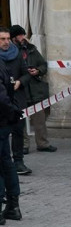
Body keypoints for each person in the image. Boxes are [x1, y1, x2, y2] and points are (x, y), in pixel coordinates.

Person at [13, 25, 53, 170]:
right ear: (14, 38)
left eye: (23, 35)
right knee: (21, 119)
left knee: (39, 117)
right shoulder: (12, 52)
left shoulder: (32, 49)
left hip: (35, 88)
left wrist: (38, 70)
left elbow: (43, 64)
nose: (22, 38)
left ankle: (43, 143)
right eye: (19, 36)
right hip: (21, 89)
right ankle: (24, 145)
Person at [0, 26, 29, 170]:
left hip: (17, 98)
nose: (6, 42)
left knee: (18, 130)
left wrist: (20, 81)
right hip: (2, 100)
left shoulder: (16, 53)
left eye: (7, 39)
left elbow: (26, 73)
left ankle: (18, 161)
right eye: (2, 39)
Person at [0, 45, 19, 224]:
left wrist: (11, 111)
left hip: (2, 120)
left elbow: (3, 96)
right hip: (5, 120)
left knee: (4, 163)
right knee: (6, 162)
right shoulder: (3, 62)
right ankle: (13, 206)